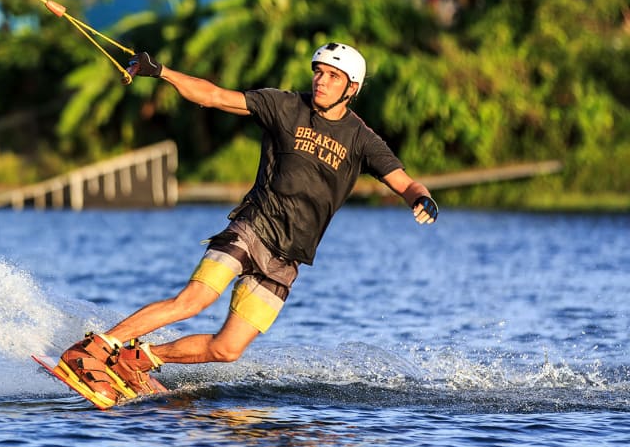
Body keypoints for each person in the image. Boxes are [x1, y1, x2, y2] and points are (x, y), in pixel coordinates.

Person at [57, 43, 439, 407]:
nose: (321, 81)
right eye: (318, 72)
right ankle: (98, 346)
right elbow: (214, 96)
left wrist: (422, 200)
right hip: (253, 228)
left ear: (351, 88)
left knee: (227, 349)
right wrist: (161, 72)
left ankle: (139, 358)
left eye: (332, 77)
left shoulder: (361, 139)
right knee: (194, 300)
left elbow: (406, 183)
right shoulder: (284, 106)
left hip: (288, 258)